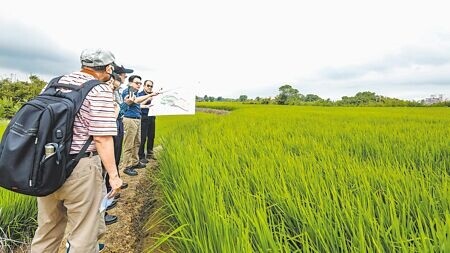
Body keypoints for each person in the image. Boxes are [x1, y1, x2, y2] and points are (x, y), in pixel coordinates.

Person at [31, 48, 123, 253]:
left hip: (47, 162)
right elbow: (101, 138)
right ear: (108, 68)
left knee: (47, 228)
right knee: (83, 231)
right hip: (81, 167)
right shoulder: (99, 90)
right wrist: (114, 177)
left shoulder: (54, 82)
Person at [121, 75, 157, 176]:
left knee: (137, 142)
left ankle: (135, 162)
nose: (139, 85)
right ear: (130, 83)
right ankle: (126, 166)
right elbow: (134, 101)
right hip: (130, 119)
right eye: (137, 83)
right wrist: (150, 95)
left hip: (137, 119)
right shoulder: (128, 91)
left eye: (140, 83)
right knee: (129, 144)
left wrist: (147, 105)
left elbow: (138, 105)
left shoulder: (135, 92)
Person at [138, 80, 160, 163]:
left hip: (152, 117)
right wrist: (148, 98)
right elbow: (138, 106)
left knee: (151, 136)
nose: (150, 87)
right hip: (143, 117)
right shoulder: (140, 95)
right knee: (143, 137)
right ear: (144, 86)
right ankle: (141, 156)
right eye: (148, 85)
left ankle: (150, 153)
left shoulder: (155, 95)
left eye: (151, 86)